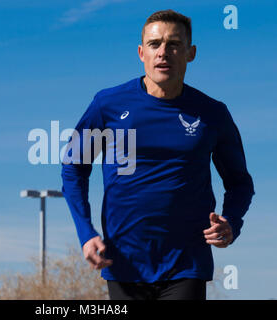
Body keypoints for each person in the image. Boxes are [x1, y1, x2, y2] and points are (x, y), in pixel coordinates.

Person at [60, 9, 255, 300]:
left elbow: (240, 182)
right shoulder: (108, 105)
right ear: (141, 52)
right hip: (123, 262)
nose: (163, 52)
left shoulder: (213, 113)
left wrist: (232, 223)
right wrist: (86, 232)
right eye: (155, 44)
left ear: (191, 53)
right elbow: (74, 167)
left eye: (174, 44)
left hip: (187, 264)